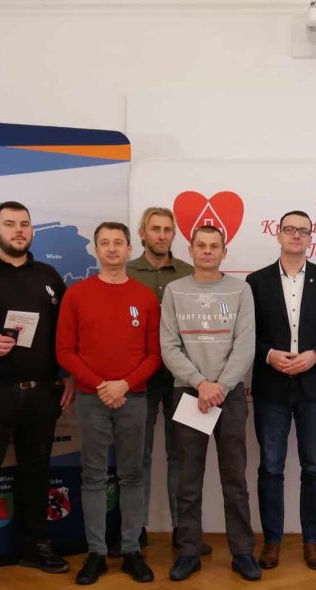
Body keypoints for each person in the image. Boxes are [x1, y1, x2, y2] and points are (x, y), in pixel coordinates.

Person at [0, 201, 73, 589]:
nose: (18, 230)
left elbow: (66, 332)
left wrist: (69, 375)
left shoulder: (49, 276)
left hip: (41, 393)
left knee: (36, 471)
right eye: (9, 224)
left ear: (32, 231)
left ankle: (35, 546)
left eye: (24, 224)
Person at [56, 222, 161, 585]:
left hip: (134, 397)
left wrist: (124, 384)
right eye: (105, 243)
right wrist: (101, 385)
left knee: (132, 474)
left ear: (130, 249)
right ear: (96, 249)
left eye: (119, 242)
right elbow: (64, 351)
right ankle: (96, 553)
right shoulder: (76, 295)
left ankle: (131, 550)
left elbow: (154, 354)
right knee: (93, 476)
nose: (112, 248)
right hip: (92, 398)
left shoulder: (145, 297)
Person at [247, 210, 316, 571]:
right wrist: (269, 355)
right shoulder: (256, 281)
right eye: (289, 229)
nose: (295, 235)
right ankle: (272, 542)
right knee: (270, 467)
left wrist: (315, 355)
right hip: (271, 387)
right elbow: (245, 335)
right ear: (278, 235)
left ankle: (312, 541)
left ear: (310, 238)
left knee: (314, 468)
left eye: (302, 231)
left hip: (315, 387)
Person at [160, 225, 260, 582]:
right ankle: (189, 552)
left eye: (214, 246)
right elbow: (169, 346)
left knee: (235, 479)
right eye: (200, 245)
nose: (207, 251)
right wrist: (201, 384)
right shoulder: (175, 291)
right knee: (188, 479)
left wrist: (220, 385)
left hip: (228, 395)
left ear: (223, 252)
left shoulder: (241, 290)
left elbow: (245, 345)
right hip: (190, 393)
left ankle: (242, 552)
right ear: (190, 250)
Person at [123, 207, 209, 556]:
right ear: (142, 234)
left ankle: (183, 530)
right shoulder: (126, 272)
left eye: (167, 230)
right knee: (138, 456)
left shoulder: (190, 272)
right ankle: (135, 531)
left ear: (175, 235)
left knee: (183, 455)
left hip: (184, 379)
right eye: (155, 229)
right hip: (138, 379)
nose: (161, 235)